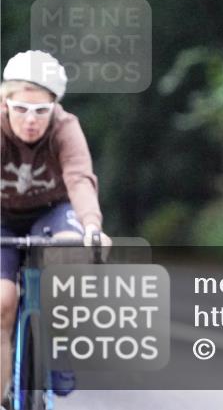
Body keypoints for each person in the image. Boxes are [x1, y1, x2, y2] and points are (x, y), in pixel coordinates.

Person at [0, 51, 110, 404]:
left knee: (69, 252)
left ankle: (61, 341)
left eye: (40, 111)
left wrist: (92, 227)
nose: (30, 121)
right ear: (6, 102)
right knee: (3, 301)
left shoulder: (65, 127)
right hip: (2, 215)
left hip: (52, 210)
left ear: (54, 107)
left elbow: (79, 179)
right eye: (20, 109)